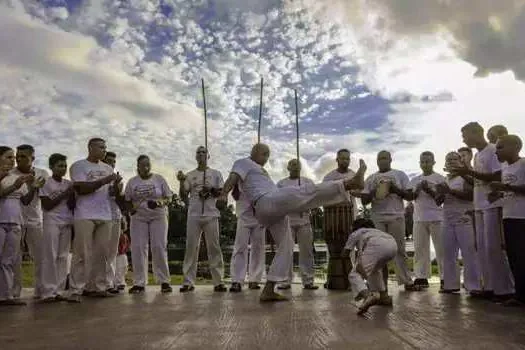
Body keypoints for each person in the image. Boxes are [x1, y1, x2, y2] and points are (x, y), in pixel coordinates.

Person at [220, 143, 366, 302]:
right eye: (265, 154)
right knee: (305, 192)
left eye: (268, 155)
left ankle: (269, 288)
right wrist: (222, 195)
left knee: (287, 246)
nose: (266, 158)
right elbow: (232, 179)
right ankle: (349, 183)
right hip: (266, 202)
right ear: (255, 152)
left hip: (271, 209)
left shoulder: (261, 171)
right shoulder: (243, 163)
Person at [448, 122, 514, 301]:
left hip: (492, 205)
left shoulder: (493, 150)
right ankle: (490, 287)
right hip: (479, 205)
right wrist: (464, 173)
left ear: (477, 133)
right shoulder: (478, 155)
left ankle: (505, 289)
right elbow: (478, 180)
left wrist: (468, 171)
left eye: (465, 135)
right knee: (484, 249)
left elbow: (497, 175)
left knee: (494, 248)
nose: (464, 139)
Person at [353, 151, 420, 291]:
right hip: (378, 217)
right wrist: (375, 191)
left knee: (399, 249)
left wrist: (394, 189)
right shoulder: (372, 178)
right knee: (377, 251)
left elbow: (409, 196)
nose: (382, 161)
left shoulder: (400, 174)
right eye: (379, 159)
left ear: (390, 159)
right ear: (377, 161)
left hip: (396, 216)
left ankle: (406, 281)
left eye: (384, 158)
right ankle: (379, 285)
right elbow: (364, 201)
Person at [68, 138, 121, 302]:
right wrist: (105, 180)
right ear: (90, 147)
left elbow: (110, 194)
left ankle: (97, 287)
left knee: (102, 254)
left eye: (105, 147)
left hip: (105, 215)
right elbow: (81, 189)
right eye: (101, 147)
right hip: (85, 214)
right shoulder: (78, 166)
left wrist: (116, 187)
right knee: (81, 253)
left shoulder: (107, 168)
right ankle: (76, 290)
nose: (104, 150)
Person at [178, 146, 227, 292]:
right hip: (194, 215)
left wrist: (210, 190)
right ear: (195, 156)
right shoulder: (189, 175)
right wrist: (181, 181)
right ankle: (188, 282)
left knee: (214, 248)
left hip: (211, 214)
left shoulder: (216, 174)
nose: (200, 154)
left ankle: (218, 282)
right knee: (191, 248)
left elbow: (222, 193)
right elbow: (183, 195)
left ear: (208, 156)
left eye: (203, 152)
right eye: (198, 152)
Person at [124, 155, 173, 294]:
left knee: (159, 246)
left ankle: (164, 281)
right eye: (142, 165)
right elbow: (127, 200)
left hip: (158, 215)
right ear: (137, 167)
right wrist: (130, 208)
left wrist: (159, 203)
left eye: (148, 165)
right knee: (138, 248)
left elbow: (168, 197)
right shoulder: (132, 182)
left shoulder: (159, 179)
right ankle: (139, 282)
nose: (145, 168)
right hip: (139, 217)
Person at [437, 152, 482, 295]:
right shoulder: (446, 179)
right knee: (448, 253)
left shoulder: (466, 177)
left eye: (454, 159)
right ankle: (450, 285)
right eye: (448, 160)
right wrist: (439, 193)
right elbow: (439, 201)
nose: (451, 162)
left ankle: (473, 285)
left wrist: (450, 191)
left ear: (461, 162)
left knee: (468, 252)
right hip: (447, 218)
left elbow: (470, 196)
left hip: (464, 217)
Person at [490, 135, 525, 306]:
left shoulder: (523, 164)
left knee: (522, 256)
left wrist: (505, 187)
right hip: (508, 215)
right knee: (514, 257)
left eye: (500, 147)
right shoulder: (505, 169)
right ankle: (520, 295)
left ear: (516, 147)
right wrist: (497, 194)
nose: (496, 151)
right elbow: (507, 192)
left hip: (522, 217)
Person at [11, 144, 48, 299]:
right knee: (14, 257)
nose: (19, 159)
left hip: (35, 220)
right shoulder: (10, 173)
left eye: (24, 156)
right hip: (15, 220)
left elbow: (42, 194)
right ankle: (13, 293)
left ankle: (40, 290)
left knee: (40, 257)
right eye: (18, 156)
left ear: (32, 158)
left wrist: (34, 184)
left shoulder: (42, 173)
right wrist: (29, 184)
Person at [276, 159, 318, 290]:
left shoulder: (307, 182)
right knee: (285, 251)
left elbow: (314, 199)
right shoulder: (281, 184)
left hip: (304, 220)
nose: (295, 167)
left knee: (306, 251)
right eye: (292, 165)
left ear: (301, 168)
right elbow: (277, 201)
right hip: (287, 221)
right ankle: (285, 280)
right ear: (288, 167)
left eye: (297, 165)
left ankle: (308, 280)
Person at [0, 146, 34, 305]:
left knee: (8, 260)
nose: (13, 160)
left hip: (15, 222)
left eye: (13, 157)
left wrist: (34, 186)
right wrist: (15, 185)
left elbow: (26, 201)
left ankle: (6, 296)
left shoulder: (16, 177)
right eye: (8, 157)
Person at [343, 218, 398, 315]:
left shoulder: (357, 232)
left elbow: (345, 254)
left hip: (375, 245)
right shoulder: (376, 232)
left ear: (356, 228)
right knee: (375, 270)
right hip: (392, 244)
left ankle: (368, 296)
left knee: (353, 274)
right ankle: (383, 297)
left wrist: (349, 271)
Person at [39, 153, 75, 302]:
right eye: (59, 166)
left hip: (66, 222)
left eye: (65, 166)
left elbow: (72, 205)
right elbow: (47, 205)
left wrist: (72, 195)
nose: (63, 168)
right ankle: (48, 291)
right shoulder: (45, 183)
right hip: (51, 221)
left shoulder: (68, 183)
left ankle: (58, 290)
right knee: (50, 256)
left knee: (62, 257)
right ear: (51, 167)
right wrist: (65, 193)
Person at [408, 151, 446, 289]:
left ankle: (445, 278)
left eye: (428, 161)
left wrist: (428, 189)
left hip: (437, 218)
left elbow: (441, 200)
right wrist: (418, 189)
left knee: (441, 249)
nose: (425, 164)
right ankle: (421, 277)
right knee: (420, 249)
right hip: (419, 218)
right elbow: (410, 197)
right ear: (420, 163)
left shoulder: (440, 179)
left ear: (433, 162)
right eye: (422, 161)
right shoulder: (414, 180)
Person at [322, 149, 358, 290]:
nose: (345, 161)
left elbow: (360, 191)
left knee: (350, 247)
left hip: (350, 213)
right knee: (332, 249)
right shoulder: (329, 176)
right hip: (332, 215)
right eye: (342, 158)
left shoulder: (353, 174)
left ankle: (352, 281)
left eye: (347, 158)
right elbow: (323, 194)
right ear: (337, 159)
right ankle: (333, 279)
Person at [229, 185, 266, 292]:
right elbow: (234, 194)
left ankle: (254, 279)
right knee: (240, 246)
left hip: (259, 216)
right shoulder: (239, 174)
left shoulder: (260, 175)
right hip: (243, 215)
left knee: (258, 248)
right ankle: (237, 280)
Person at [102, 151, 124, 294]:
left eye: (114, 161)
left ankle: (110, 283)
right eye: (109, 161)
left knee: (112, 252)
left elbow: (119, 198)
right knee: (101, 251)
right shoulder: (98, 176)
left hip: (115, 216)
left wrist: (124, 219)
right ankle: (98, 282)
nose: (112, 163)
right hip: (101, 217)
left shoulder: (118, 179)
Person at [115, 217, 130, 291]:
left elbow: (126, 246)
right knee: (119, 270)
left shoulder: (123, 236)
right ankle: (119, 282)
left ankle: (120, 282)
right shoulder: (124, 236)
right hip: (120, 255)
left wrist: (121, 250)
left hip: (121, 255)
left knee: (121, 270)